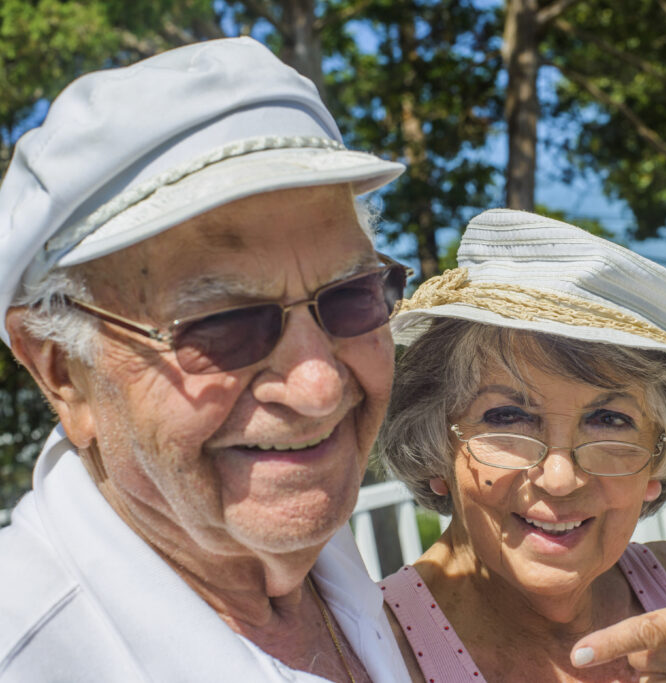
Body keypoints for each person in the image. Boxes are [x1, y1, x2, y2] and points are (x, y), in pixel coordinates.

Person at [0, 38, 415, 682]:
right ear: (59, 371)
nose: (319, 387)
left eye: (350, 296)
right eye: (222, 325)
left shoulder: (315, 560)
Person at [376, 209, 666, 682]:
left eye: (608, 421)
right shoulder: (372, 652)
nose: (559, 479)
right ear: (434, 446)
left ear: (658, 461)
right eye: (508, 417)